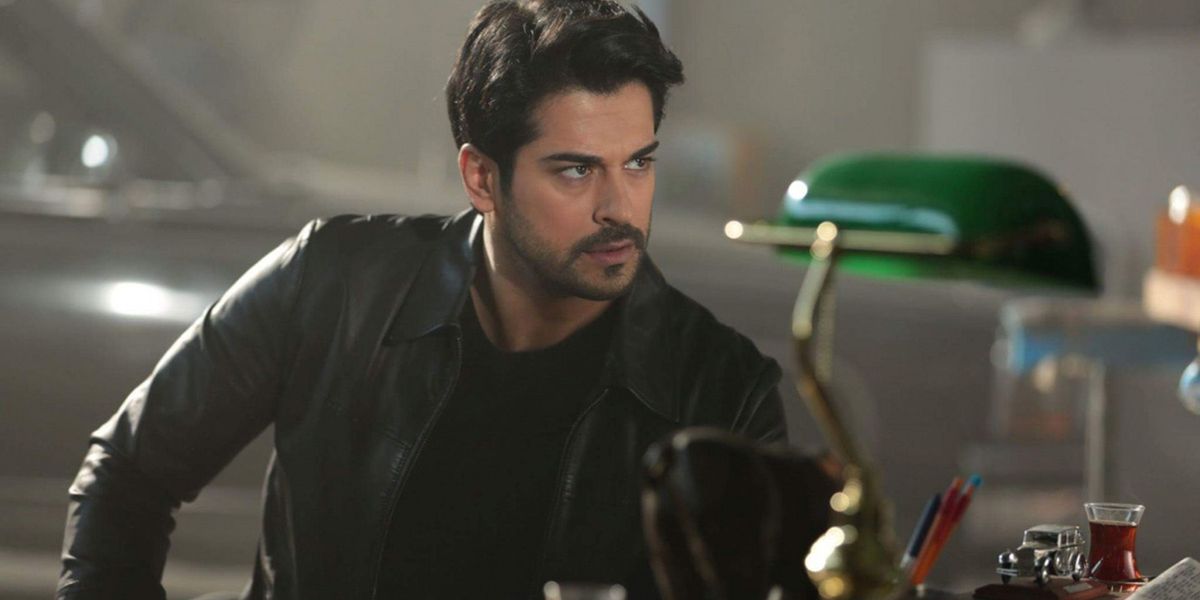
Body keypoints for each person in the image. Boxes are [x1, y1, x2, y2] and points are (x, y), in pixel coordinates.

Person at [57, 1, 788, 598]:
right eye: (575, 171)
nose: (620, 208)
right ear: (482, 178)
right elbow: (128, 471)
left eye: (638, 163)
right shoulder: (335, 283)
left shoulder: (720, 391)